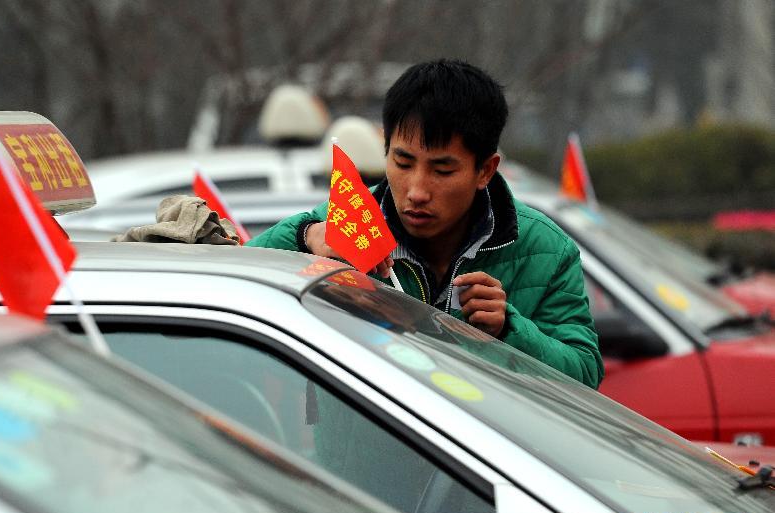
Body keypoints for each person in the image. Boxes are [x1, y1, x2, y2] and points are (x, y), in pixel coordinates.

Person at [248, 59, 603, 389]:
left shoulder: (546, 249)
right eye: (402, 163)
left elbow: (585, 374)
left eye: (442, 170)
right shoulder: (342, 224)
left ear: (485, 170)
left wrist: (509, 329)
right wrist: (305, 236)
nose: (416, 191)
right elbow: (228, 277)